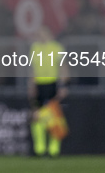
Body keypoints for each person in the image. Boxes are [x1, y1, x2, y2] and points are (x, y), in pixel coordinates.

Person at [28, 26, 69, 157]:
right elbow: (33, 69)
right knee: (37, 117)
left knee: (54, 117)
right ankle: (39, 148)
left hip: (52, 84)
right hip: (39, 84)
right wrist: (32, 85)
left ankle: (53, 149)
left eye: (42, 34)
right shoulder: (35, 48)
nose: (40, 37)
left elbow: (63, 67)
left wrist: (62, 85)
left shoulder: (57, 48)